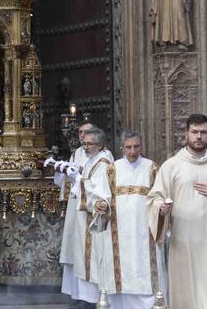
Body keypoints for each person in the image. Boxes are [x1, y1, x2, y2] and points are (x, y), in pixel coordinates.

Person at [147, 113, 207, 309]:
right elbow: (154, 198)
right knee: (187, 295)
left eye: (203, 132)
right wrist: (161, 208)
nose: (199, 136)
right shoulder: (171, 166)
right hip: (183, 241)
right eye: (194, 132)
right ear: (186, 134)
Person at [86, 130, 157, 309]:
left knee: (143, 270)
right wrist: (101, 204)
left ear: (142, 146)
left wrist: (161, 208)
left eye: (136, 147)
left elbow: (158, 196)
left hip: (144, 229)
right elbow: (101, 195)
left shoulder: (152, 168)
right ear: (121, 148)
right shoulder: (112, 169)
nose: (132, 151)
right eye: (128, 147)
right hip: (118, 230)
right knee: (120, 273)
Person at [69, 127, 114, 309]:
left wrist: (78, 180)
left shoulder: (103, 163)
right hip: (85, 218)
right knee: (85, 258)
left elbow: (99, 191)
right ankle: (87, 298)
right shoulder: (91, 160)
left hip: (95, 220)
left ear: (100, 145)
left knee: (95, 259)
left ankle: (96, 298)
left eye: (90, 144)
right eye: (84, 143)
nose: (85, 147)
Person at [57, 121, 100, 309]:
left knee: (88, 252)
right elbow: (67, 182)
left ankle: (92, 296)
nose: (83, 137)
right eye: (81, 133)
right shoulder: (77, 153)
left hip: (91, 209)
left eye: (87, 133)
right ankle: (77, 293)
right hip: (76, 206)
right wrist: (63, 171)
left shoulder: (104, 157)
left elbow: (101, 183)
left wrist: (79, 177)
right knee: (76, 251)